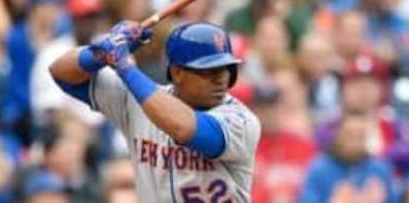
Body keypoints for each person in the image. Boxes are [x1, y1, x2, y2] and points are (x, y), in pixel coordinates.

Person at [49, 21, 261, 202]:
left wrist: (125, 67)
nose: (221, 78)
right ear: (177, 72)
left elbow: (183, 127)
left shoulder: (241, 120)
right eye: (209, 71)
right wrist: (99, 53)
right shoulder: (137, 100)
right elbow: (61, 73)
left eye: (226, 68)